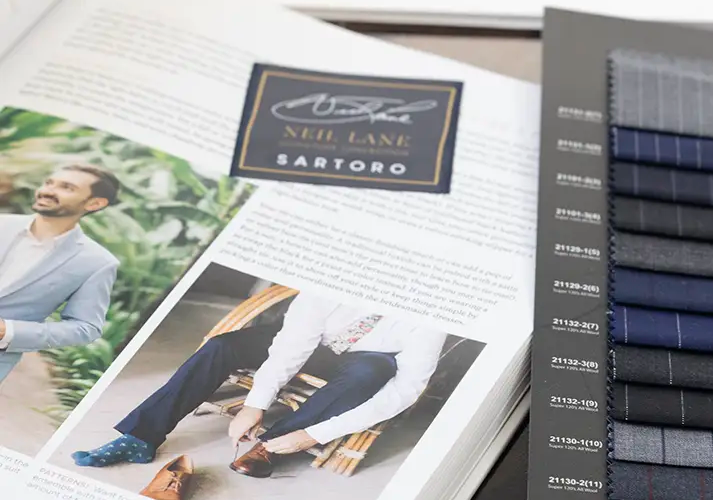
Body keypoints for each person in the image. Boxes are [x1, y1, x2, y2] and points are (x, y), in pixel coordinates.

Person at [72, 290, 448, 479]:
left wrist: (315, 435)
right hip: (313, 341)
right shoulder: (332, 284)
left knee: (372, 373)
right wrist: (256, 403)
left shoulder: (432, 313)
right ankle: (140, 436)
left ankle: (275, 445)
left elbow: (406, 389)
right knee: (223, 346)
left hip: (368, 355)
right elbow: (291, 346)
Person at [0, 163, 120, 385]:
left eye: (67, 187)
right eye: (48, 183)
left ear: (95, 203)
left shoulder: (97, 263)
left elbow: (86, 327)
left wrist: (8, 331)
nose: (47, 191)